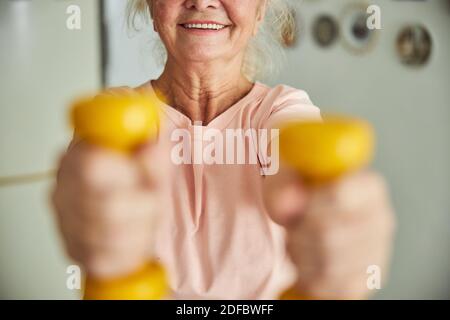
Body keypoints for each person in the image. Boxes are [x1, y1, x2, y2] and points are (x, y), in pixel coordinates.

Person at [52, 0, 395, 299]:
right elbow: (95, 173)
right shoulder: (118, 115)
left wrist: (325, 206)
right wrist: (92, 208)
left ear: (260, 10)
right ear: (152, 7)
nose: (202, 1)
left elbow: (293, 157)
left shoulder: (282, 109)